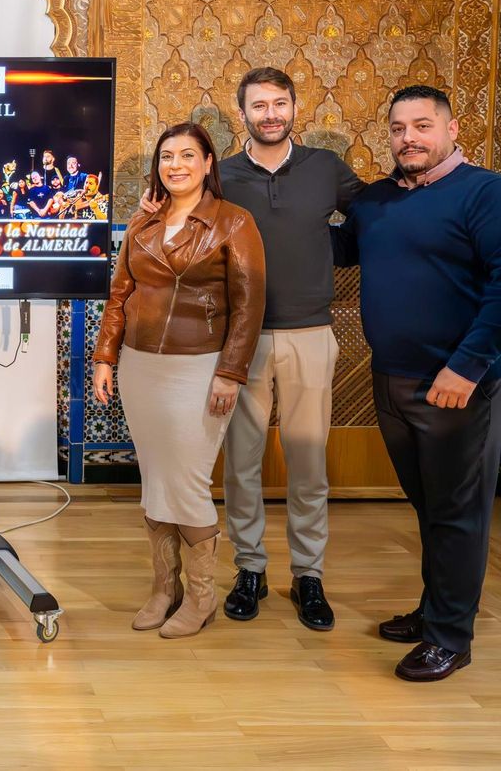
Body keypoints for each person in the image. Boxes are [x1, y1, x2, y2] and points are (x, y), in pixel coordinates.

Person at [334, 85, 501, 682]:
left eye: (423, 126)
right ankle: (434, 611)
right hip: (391, 381)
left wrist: (466, 367)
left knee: (457, 511)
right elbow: (329, 248)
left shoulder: (491, 195)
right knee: (429, 506)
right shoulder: (375, 201)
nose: (409, 139)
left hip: (458, 386)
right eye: (399, 128)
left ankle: (451, 636)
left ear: (452, 130)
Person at [144, 68, 365, 630]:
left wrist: (325, 248)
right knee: (241, 463)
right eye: (259, 105)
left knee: (308, 462)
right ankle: (250, 569)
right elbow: (184, 222)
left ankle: (309, 575)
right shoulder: (224, 177)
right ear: (241, 113)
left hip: (310, 334)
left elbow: (374, 219)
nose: (270, 114)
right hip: (237, 341)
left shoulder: (325, 168)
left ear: (295, 107)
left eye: (279, 103)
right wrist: (150, 210)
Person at [92, 122, 265, 639]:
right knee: (155, 481)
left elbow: (249, 306)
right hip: (140, 366)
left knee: (187, 483)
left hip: (200, 367)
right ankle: (164, 589)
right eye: (167, 156)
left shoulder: (234, 222)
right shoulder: (143, 223)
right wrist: (105, 357)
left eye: (188, 155)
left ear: (209, 163)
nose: (176, 165)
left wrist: (230, 372)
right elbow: (119, 295)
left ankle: (202, 597)